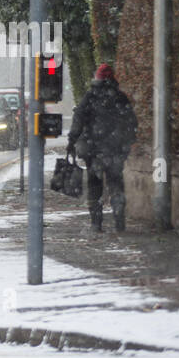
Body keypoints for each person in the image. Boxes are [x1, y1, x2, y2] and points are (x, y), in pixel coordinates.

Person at [67, 64, 138, 232]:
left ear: (97, 78)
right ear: (112, 78)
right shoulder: (120, 98)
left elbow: (78, 120)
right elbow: (132, 123)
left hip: (95, 151)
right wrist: (125, 145)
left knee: (95, 186)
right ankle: (119, 222)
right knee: (116, 185)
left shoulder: (90, 97)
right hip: (115, 151)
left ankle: (96, 223)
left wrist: (72, 141)